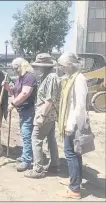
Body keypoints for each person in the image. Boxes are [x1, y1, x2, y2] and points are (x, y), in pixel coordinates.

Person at [57, 53, 88, 199]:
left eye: (62, 66)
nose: (60, 68)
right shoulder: (71, 78)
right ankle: (74, 180)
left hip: (74, 122)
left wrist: (70, 125)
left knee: (70, 153)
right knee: (75, 153)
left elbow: (80, 105)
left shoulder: (79, 80)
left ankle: (74, 189)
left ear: (70, 65)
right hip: (70, 120)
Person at [24, 53, 60, 179]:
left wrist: (41, 116)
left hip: (45, 114)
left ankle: (38, 169)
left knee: (36, 138)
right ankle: (54, 164)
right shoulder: (47, 76)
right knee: (50, 139)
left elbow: (49, 100)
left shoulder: (51, 77)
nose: (37, 67)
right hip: (48, 115)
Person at [6, 58, 37, 172]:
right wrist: (9, 88)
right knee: (24, 134)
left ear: (22, 66)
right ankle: (26, 156)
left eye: (16, 68)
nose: (14, 70)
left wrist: (13, 104)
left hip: (29, 110)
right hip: (22, 110)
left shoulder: (29, 77)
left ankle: (27, 160)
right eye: (13, 68)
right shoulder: (20, 78)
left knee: (26, 135)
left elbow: (24, 93)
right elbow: (15, 93)